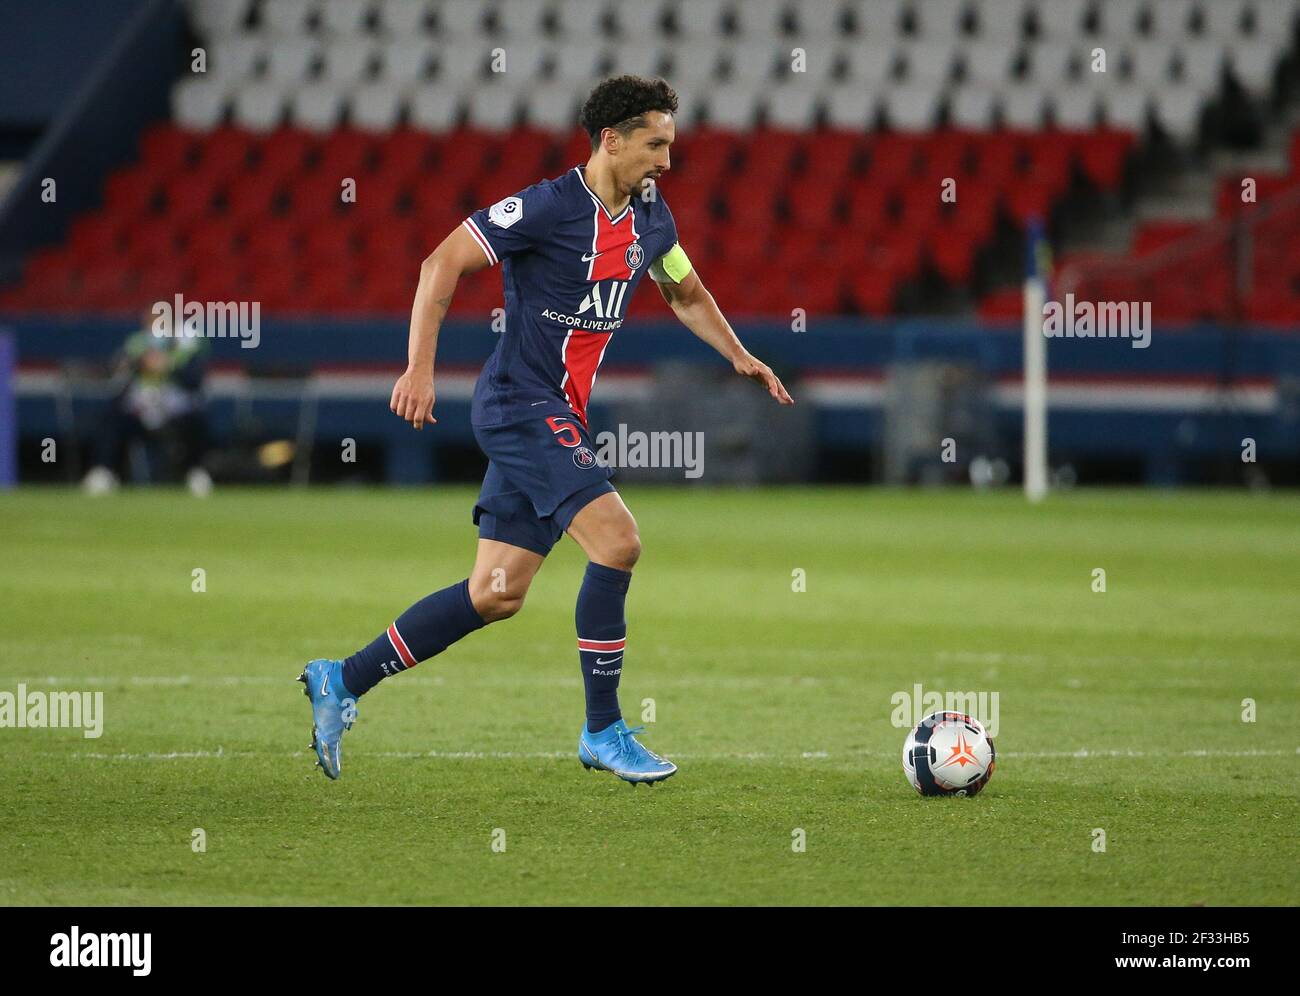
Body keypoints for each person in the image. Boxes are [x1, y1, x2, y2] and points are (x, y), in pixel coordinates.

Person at [298, 76, 793, 783]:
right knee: (619, 542)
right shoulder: (546, 208)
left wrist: (739, 353)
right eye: (655, 145)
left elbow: (684, 290)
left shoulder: (653, 217)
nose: (667, 162)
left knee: (495, 592)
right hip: (520, 405)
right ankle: (603, 729)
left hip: (558, 416)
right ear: (611, 140)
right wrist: (418, 369)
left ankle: (341, 679)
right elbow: (441, 262)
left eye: (671, 147)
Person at [82, 307, 211, 496]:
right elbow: (120, 372)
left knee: (197, 420)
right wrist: (140, 363)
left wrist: (169, 366)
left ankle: (195, 472)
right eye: (152, 320)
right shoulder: (137, 343)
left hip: (175, 409)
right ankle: (104, 471)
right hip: (141, 408)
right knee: (112, 417)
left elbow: (194, 381)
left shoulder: (188, 343)